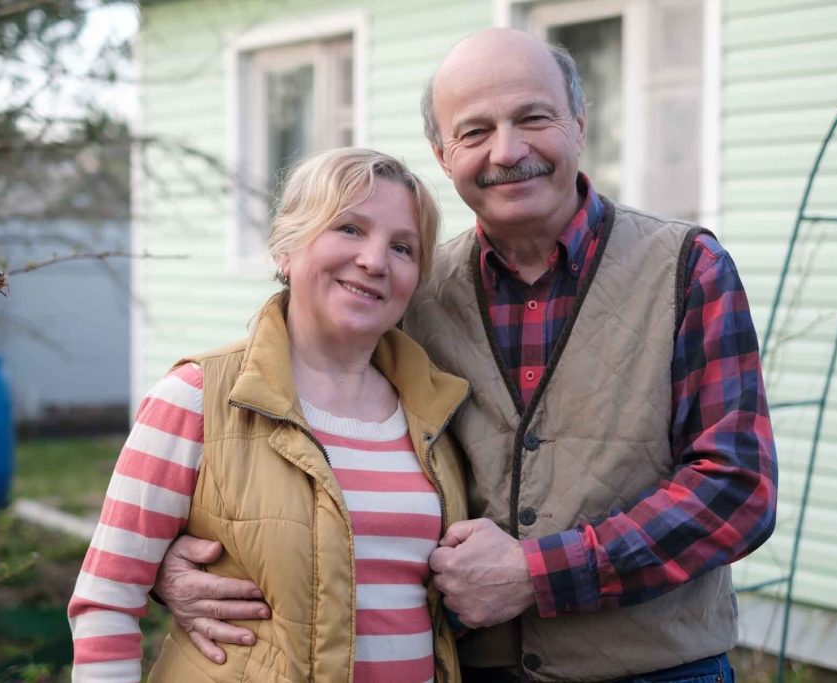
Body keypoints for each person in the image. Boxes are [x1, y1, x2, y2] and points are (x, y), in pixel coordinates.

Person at [154, 29, 778, 683]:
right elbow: (289, 444)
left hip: (658, 670)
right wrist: (169, 560)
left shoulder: (687, 268)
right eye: (475, 131)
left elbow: (738, 489)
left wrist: (539, 575)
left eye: (532, 118)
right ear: (442, 153)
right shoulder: (409, 292)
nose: (506, 151)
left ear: (579, 125)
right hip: (467, 668)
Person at [68, 148, 471, 682]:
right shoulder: (196, 397)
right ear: (286, 248)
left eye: (402, 247)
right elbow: (107, 599)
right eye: (349, 229)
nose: (375, 260)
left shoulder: (434, 416)